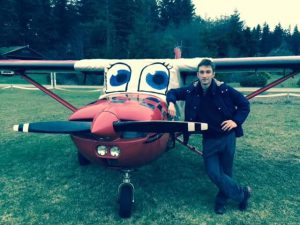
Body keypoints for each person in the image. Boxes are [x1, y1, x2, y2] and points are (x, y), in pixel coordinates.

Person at [166, 58, 251, 214]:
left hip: (227, 137)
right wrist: (171, 103)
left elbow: (245, 104)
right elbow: (172, 92)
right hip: (209, 139)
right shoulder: (191, 90)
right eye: (201, 72)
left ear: (213, 74)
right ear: (197, 74)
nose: (204, 76)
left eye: (208, 72)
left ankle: (221, 201)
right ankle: (243, 194)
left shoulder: (224, 90)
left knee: (225, 172)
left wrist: (236, 121)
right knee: (213, 172)